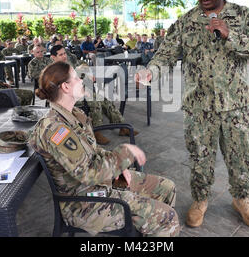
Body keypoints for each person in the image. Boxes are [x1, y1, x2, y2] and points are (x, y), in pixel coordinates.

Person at [136, 0, 249, 229]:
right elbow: (165, 55)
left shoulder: (242, 16)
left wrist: (231, 34)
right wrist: (151, 72)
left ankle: (242, 199)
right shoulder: (186, 22)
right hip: (199, 108)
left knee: (241, 157)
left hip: (237, 106)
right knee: (200, 158)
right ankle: (200, 200)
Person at [29, 61, 180, 237]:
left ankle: (149, 229)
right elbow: (88, 173)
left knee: (167, 188)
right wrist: (124, 154)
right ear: (65, 87)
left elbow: (93, 150)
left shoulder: (76, 115)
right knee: (168, 217)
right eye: (77, 78)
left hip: (102, 184)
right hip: (85, 204)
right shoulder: (56, 130)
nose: (81, 80)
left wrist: (119, 168)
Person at [50, 44, 138, 145]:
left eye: (64, 53)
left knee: (105, 100)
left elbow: (81, 64)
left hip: (81, 91)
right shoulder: (53, 70)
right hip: (68, 97)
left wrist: (87, 72)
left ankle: (122, 127)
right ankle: (97, 132)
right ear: (53, 57)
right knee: (95, 102)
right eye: (61, 55)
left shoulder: (67, 62)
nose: (64, 56)